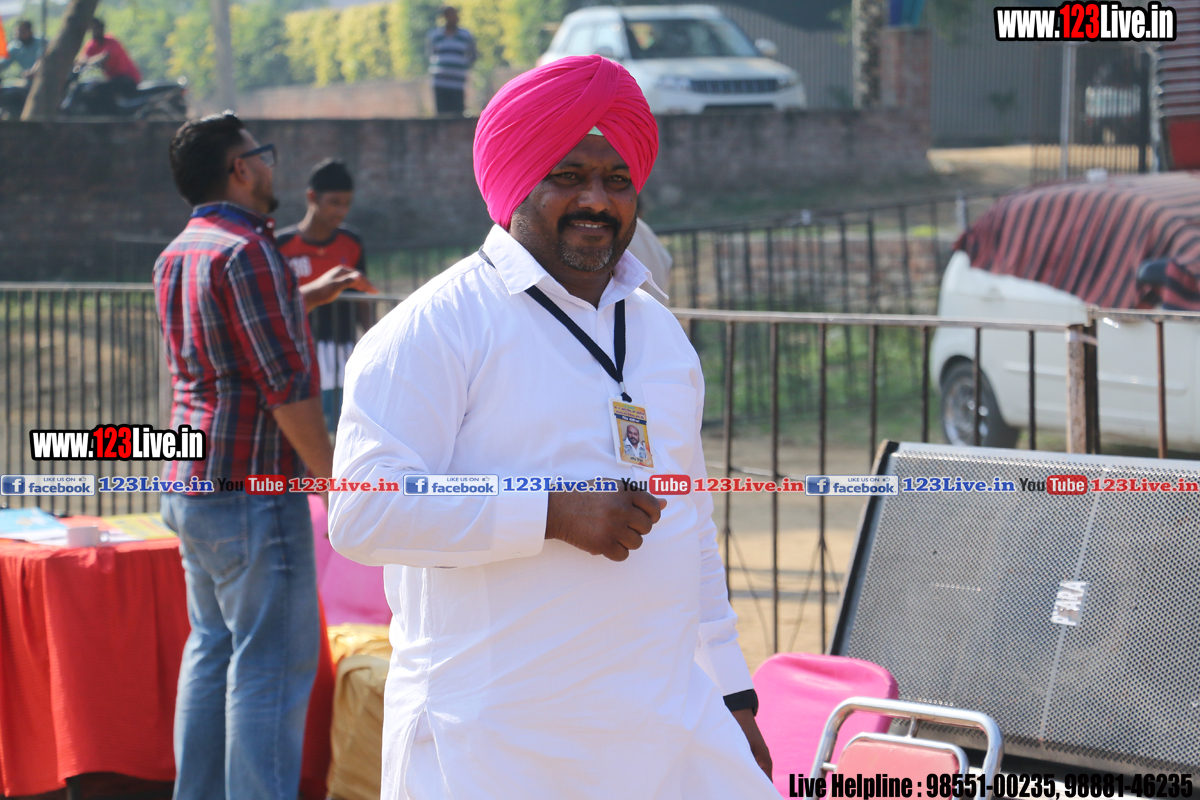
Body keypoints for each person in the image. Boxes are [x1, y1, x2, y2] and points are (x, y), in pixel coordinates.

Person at [328, 55, 776, 799]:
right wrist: (549, 513)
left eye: (617, 180)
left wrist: (732, 692)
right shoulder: (436, 328)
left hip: (663, 730)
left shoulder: (661, 335)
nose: (596, 199)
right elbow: (364, 512)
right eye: (569, 176)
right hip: (498, 743)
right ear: (518, 180)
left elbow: (691, 524)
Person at [153, 113, 364, 799]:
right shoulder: (249, 251)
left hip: (191, 482)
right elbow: (284, 384)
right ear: (240, 170)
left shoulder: (181, 250)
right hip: (253, 490)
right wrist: (333, 481)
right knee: (271, 665)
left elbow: (225, 334)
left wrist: (300, 298)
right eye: (261, 154)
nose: (270, 164)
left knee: (212, 650)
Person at [277, 159, 379, 433]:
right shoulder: (282, 245)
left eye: (347, 203)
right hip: (300, 353)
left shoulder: (351, 242)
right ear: (312, 197)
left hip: (341, 352)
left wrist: (372, 341)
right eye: (334, 202)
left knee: (342, 430)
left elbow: (362, 299)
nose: (341, 211)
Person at [77, 18, 140, 114]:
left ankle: (112, 116)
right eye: (91, 29)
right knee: (89, 87)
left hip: (127, 79)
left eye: (95, 29)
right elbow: (83, 59)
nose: (93, 32)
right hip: (113, 80)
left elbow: (105, 56)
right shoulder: (92, 44)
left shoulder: (111, 42)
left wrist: (89, 62)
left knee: (98, 89)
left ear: (102, 29)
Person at [425, 6, 475, 116]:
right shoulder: (435, 35)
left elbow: (472, 54)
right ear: (444, 16)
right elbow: (430, 54)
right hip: (440, 81)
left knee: (458, 113)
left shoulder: (465, 36)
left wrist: (462, 68)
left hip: (457, 82)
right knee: (441, 114)